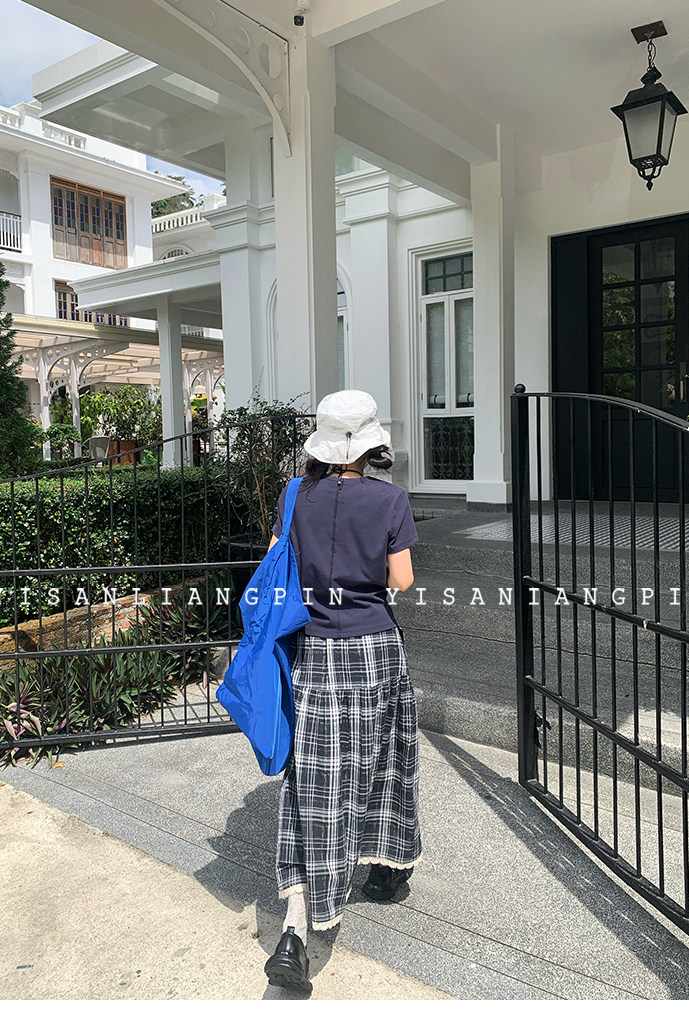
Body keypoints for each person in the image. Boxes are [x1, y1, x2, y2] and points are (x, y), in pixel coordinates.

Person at [262, 389, 422, 994]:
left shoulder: (293, 496)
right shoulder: (390, 499)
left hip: (314, 650)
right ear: (371, 443)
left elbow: (278, 566)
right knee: (383, 757)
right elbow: (402, 579)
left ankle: (297, 924)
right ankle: (385, 867)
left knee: (316, 776)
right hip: (374, 647)